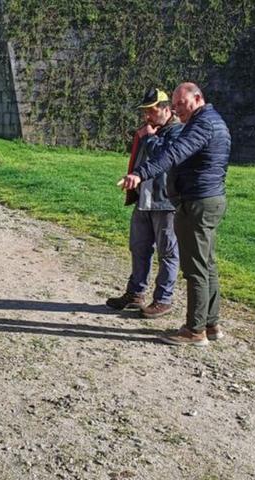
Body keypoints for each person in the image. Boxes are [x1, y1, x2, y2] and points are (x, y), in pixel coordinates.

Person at [122, 82, 230, 346]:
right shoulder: (212, 121)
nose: (178, 108)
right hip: (208, 199)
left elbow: (174, 153)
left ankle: (195, 330)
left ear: (198, 98)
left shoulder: (202, 124)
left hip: (198, 202)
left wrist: (140, 173)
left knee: (195, 269)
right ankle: (211, 323)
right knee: (207, 265)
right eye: (176, 104)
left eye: (182, 104)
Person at [106, 88, 182, 318]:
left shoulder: (178, 131)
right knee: (139, 247)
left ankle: (163, 299)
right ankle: (136, 293)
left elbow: (165, 158)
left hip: (166, 201)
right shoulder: (150, 130)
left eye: (152, 111)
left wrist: (149, 137)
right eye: (145, 111)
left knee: (167, 252)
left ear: (167, 110)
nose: (147, 116)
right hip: (144, 198)